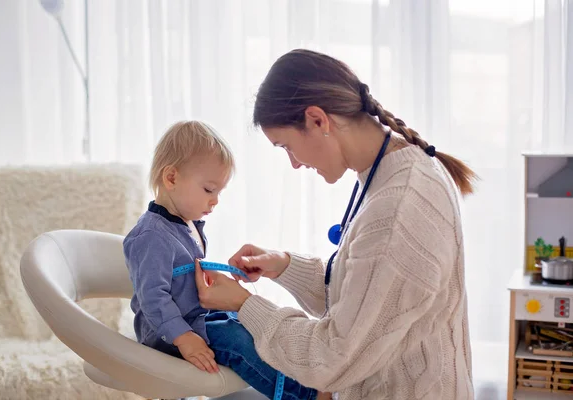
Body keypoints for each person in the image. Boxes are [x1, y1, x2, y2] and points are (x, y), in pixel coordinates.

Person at [194, 49, 476, 400]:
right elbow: (368, 298)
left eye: (287, 146)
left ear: (317, 120)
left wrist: (244, 305)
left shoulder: (398, 206)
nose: (294, 164)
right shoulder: (391, 171)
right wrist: (284, 266)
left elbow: (330, 359)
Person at [123, 121, 319, 400]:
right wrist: (184, 338)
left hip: (195, 317)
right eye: (208, 190)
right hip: (168, 333)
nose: (215, 201)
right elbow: (152, 299)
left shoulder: (183, 224)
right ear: (171, 178)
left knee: (250, 323)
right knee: (237, 341)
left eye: (219, 193)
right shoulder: (151, 236)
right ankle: (303, 396)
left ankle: (308, 376)